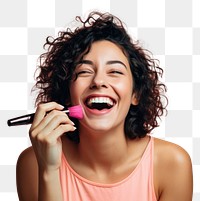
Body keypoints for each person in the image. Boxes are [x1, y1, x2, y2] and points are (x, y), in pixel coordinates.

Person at [16, 11, 193, 201]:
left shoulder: (172, 164)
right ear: (67, 95)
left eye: (115, 71)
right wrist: (49, 171)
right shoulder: (33, 163)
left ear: (136, 94)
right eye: (84, 71)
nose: (98, 81)